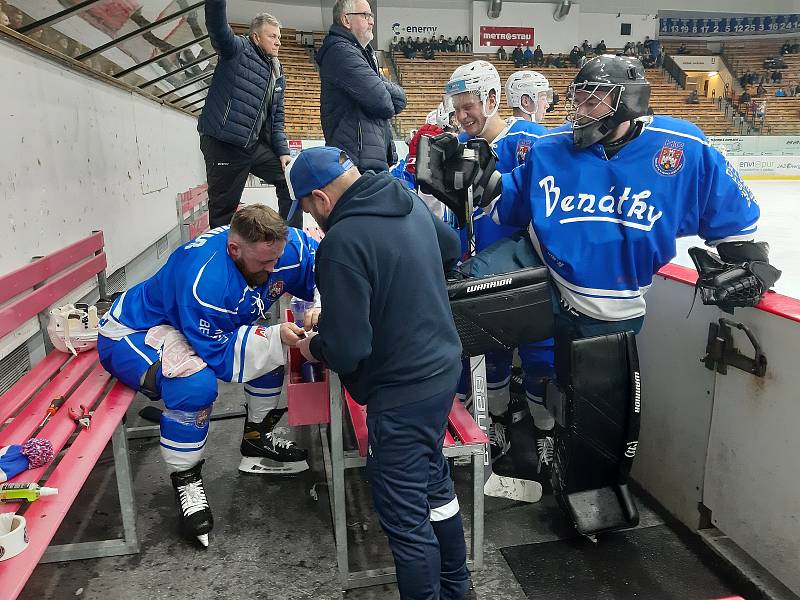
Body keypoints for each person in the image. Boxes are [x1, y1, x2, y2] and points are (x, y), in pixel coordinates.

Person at [418, 55, 780, 529]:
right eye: (579, 98)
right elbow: (508, 201)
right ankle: (425, 434)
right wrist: (473, 184)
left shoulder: (681, 147)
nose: (582, 110)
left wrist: (748, 261)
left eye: (595, 99)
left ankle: (574, 468)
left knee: (596, 420)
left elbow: (738, 226)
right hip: (539, 269)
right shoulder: (550, 149)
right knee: (445, 310)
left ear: (627, 101)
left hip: (612, 307)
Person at [285, 146, 470, 600]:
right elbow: (451, 249)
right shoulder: (403, 198)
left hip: (401, 391)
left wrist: (314, 346)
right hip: (442, 370)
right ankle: (457, 589)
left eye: (308, 207)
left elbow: (348, 349)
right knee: (435, 489)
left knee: (406, 521)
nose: (312, 217)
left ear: (321, 200)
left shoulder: (341, 244)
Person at [97, 206, 321, 546]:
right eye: (263, 263)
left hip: (189, 324)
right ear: (234, 249)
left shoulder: (280, 248)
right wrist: (274, 338)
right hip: (135, 332)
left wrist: (322, 303)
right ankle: (186, 477)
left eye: (276, 259)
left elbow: (328, 264)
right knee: (195, 384)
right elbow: (221, 359)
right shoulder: (205, 282)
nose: (273, 269)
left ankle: (256, 438)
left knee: (269, 347)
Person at [442, 62, 553, 491]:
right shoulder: (459, 148)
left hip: (533, 276)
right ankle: (498, 426)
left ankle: (546, 436)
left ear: (491, 99)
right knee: (490, 363)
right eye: (457, 109)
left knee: (543, 361)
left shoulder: (533, 140)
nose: (463, 116)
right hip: (483, 280)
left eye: (468, 106)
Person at [197, 2, 297, 228]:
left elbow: (277, 118)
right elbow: (218, 27)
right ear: (255, 36)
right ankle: (223, 256)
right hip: (224, 144)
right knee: (223, 211)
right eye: (272, 36)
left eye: (279, 37)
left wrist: (282, 152)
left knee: (290, 181)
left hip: (252, 146)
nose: (278, 41)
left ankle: (291, 240)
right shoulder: (237, 49)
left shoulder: (277, 72)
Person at [317, 0, 406, 172]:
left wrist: (376, 82)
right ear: (346, 20)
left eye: (371, 15)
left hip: (368, 158)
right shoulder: (341, 51)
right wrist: (379, 83)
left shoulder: (361, 53)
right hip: (356, 161)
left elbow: (400, 100)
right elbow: (383, 102)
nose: (372, 21)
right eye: (365, 15)